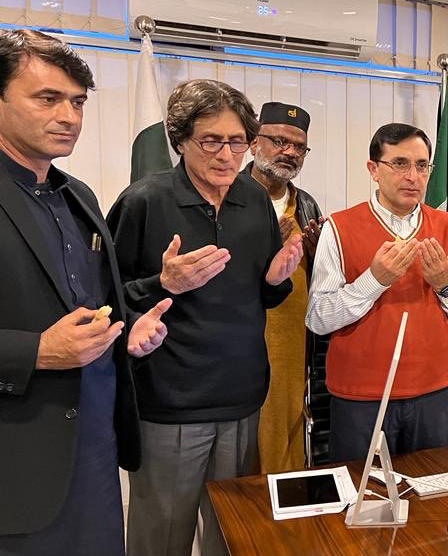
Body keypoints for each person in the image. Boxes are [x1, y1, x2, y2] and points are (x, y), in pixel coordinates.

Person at [107, 79, 302, 556]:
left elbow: (262, 297)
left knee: (230, 536)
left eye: (237, 141)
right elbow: (105, 299)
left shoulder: (254, 200)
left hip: (242, 399)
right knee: (162, 539)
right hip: (171, 401)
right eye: (211, 141)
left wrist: (276, 279)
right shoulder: (143, 202)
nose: (226, 155)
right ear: (180, 140)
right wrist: (162, 283)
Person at [0, 29, 169, 555]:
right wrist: (35, 351)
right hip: (14, 465)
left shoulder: (79, 197)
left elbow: (91, 303)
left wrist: (126, 330)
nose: (69, 116)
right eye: (47, 98)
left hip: (95, 452)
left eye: (77, 102)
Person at [306, 123, 448, 463]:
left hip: (435, 392)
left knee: (430, 487)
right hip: (362, 397)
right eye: (400, 163)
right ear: (374, 169)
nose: (412, 176)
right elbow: (318, 318)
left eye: (421, 165)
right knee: (363, 490)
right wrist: (373, 280)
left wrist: (445, 286)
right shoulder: (338, 228)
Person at [242, 101, 324, 473]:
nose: (289, 152)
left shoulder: (305, 204)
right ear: (254, 142)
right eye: (279, 141)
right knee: (246, 437)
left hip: (293, 339)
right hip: (245, 337)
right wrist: (263, 249)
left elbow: (317, 274)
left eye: (299, 147)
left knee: (288, 421)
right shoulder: (229, 195)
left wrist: (317, 251)